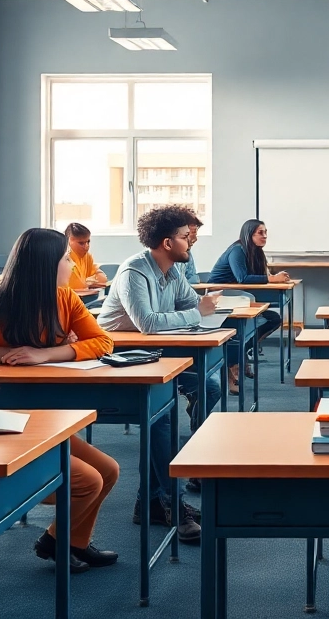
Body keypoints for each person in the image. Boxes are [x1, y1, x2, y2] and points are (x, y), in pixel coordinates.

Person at [0, 228, 120, 573]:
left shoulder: (66, 299)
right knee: (88, 481)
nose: (71, 267)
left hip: (43, 417)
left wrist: (45, 355)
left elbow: (103, 342)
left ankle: (65, 542)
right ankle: (57, 540)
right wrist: (9, 354)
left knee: (109, 470)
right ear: (45, 265)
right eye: (65, 259)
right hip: (3, 418)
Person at [98, 206, 221, 543]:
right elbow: (149, 323)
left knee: (209, 384)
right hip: (120, 358)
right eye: (185, 237)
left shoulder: (172, 270)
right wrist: (197, 311)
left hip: (156, 354)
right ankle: (170, 501)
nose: (190, 241)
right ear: (167, 242)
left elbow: (189, 305)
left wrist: (199, 310)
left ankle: (153, 498)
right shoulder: (134, 272)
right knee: (162, 419)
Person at [207, 219, 286, 388]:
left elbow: (254, 278)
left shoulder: (256, 252)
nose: (264, 236)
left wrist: (273, 276)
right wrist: (272, 279)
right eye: (260, 233)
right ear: (248, 234)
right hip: (223, 299)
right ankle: (233, 367)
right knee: (241, 328)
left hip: (239, 297)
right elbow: (242, 278)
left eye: (266, 232)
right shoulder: (238, 250)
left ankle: (242, 354)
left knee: (273, 318)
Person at [64, 222, 108, 290]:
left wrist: (87, 283)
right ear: (69, 241)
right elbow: (78, 286)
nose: (86, 246)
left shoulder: (87, 257)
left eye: (88, 242)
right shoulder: (64, 259)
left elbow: (103, 278)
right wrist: (87, 283)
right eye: (81, 243)